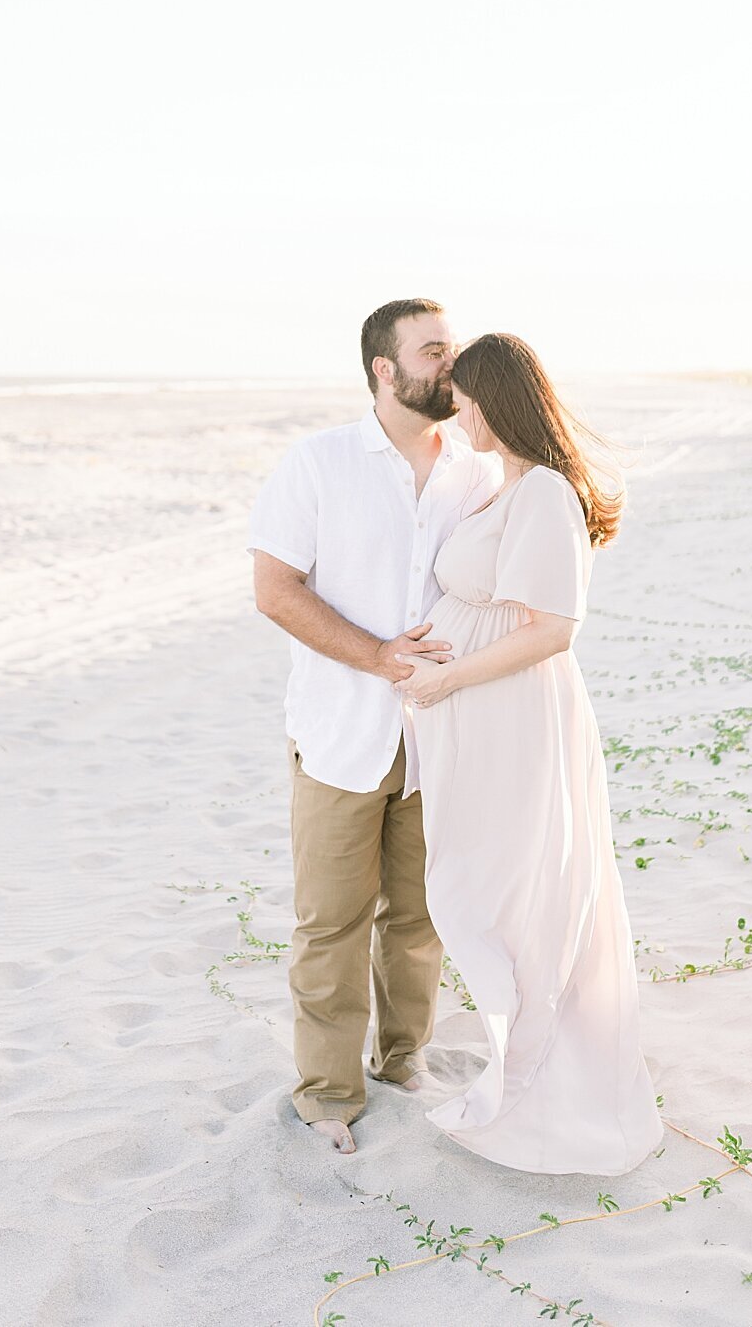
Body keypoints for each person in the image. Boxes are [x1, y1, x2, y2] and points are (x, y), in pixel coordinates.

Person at [394, 332, 664, 1176]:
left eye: (466, 398)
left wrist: (449, 679)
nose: (457, 412)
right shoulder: (504, 485)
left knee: (516, 896)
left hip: (514, 717)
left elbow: (552, 630)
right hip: (482, 717)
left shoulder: (543, 491)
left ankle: (549, 1083)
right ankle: (529, 1065)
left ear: (497, 399)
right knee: (492, 889)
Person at [246, 298, 503, 1154]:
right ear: (383, 371)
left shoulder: (476, 471)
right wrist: (378, 656)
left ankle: (404, 1062)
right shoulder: (318, 464)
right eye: (434, 352)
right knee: (331, 922)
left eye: (453, 349)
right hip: (338, 732)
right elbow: (275, 589)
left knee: (419, 918)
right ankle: (326, 1094)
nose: (451, 365)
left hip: (439, 738)